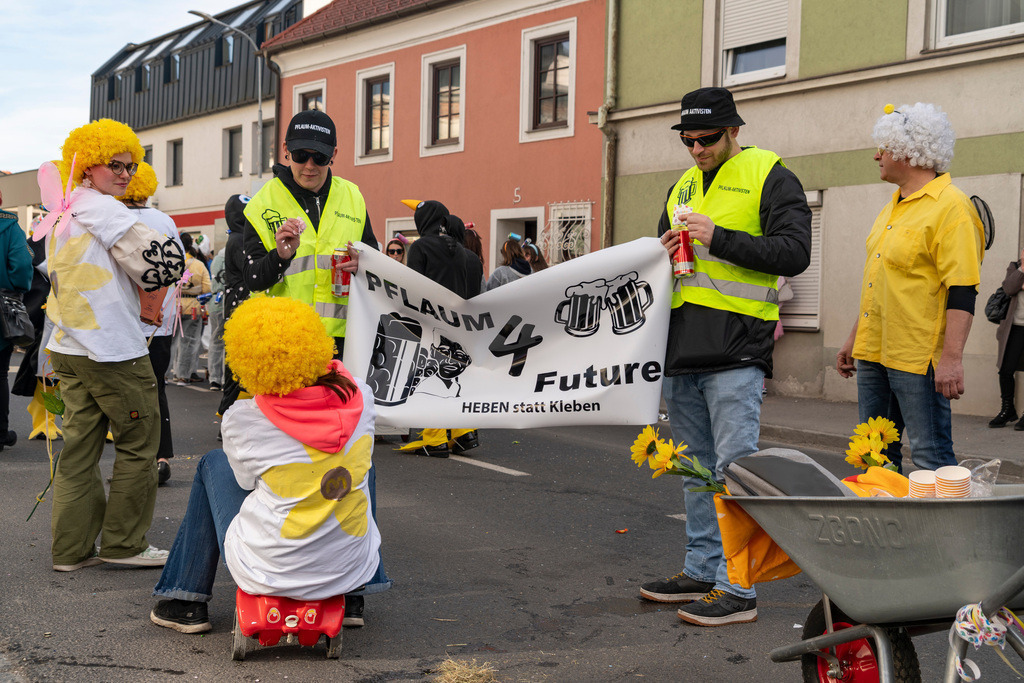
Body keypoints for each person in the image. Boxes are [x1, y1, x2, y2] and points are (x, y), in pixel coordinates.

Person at [641, 87, 812, 626]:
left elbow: (795, 253)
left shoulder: (770, 174)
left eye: (707, 138)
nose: (696, 149)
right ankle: (701, 567)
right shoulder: (683, 186)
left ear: (733, 129)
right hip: (683, 350)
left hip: (737, 350)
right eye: (688, 140)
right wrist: (660, 253)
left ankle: (738, 587)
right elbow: (659, 266)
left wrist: (721, 238)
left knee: (735, 471)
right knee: (696, 472)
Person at [150, 296, 380, 633]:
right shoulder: (360, 396)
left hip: (270, 569)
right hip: (350, 566)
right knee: (358, 464)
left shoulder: (244, 419)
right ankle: (356, 596)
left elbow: (244, 482)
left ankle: (187, 598)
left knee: (213, 463)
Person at [241, 108, 387, 626]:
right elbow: (243, 282)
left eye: (318, 158)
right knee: (280, 467)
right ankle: (270, 576)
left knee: (354, 464)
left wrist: (364, 263)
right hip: (282, 358)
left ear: (333, 158)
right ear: (285, 154)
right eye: (299, 155)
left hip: (339, 355)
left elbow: (373, 266)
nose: (308, 165)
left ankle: (355, 584)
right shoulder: (261, 204)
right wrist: (278, 257)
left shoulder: (352, 197)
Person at [43, 119, 184, 572]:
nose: (125, 174)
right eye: (115, 165)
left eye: (131, 165)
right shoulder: (108, 211)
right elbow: (163, 266)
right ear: (87, 167)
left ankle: (71, 549)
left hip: (69, 344)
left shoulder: (64, 210)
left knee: (80, 446)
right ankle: (124, 544)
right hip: (111, 347)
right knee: (140, 443)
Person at [836, 103, 984, 471]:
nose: (876, 156)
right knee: (874, 459)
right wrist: (855, 339)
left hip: (918, 360)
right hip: (873, 355)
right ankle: (885, 528)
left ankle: (941, 529)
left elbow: (963, 289)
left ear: (909, 152)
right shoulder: (892, 208)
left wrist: (951, 359)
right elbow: (881, 281)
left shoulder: (952, 207)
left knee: (930, 458)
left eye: (883, 148)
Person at [119, 162, 184, 485]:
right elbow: (178, 267)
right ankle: (161, 456)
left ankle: (134, 462)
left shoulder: (116, 218)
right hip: (162, 322)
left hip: (125, 321)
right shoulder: (165, 221)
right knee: (157, 387)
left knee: (125, 394)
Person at [0, 190, 34, 450]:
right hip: (1, 309)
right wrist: (16, 288)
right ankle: (0, 433)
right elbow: (22, 266)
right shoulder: (9, 226)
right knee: (0, 373)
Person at [216, 195, 250, 418]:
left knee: (238, 366)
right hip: (240, 309)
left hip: (236, 307)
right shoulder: (240, 240)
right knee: (239, 367)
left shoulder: (237, 238)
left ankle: (232, 414)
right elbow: (252, 272)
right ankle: (230, 414)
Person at [170, 233, 211, 385]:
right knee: (189, 343)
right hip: (193, 307)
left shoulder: (174, 262)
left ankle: (166, 374)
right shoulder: (198, 265)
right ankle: (183, 375)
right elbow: (207, 288)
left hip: (175, 305)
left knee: (171, 343)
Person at [990, 250, 1024, 428]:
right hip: (1014, 328)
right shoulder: (1015, 267)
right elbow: (1009, 288)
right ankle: (1007, 410)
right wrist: (1023, 268)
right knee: (1005, 370)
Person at [207, 245, 226, 391]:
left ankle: (214, 378)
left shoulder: (215, 260)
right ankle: (225, 377)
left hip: (213, 301)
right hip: (226, 301)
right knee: (227, 342)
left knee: (214, 340)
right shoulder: (232, 257)